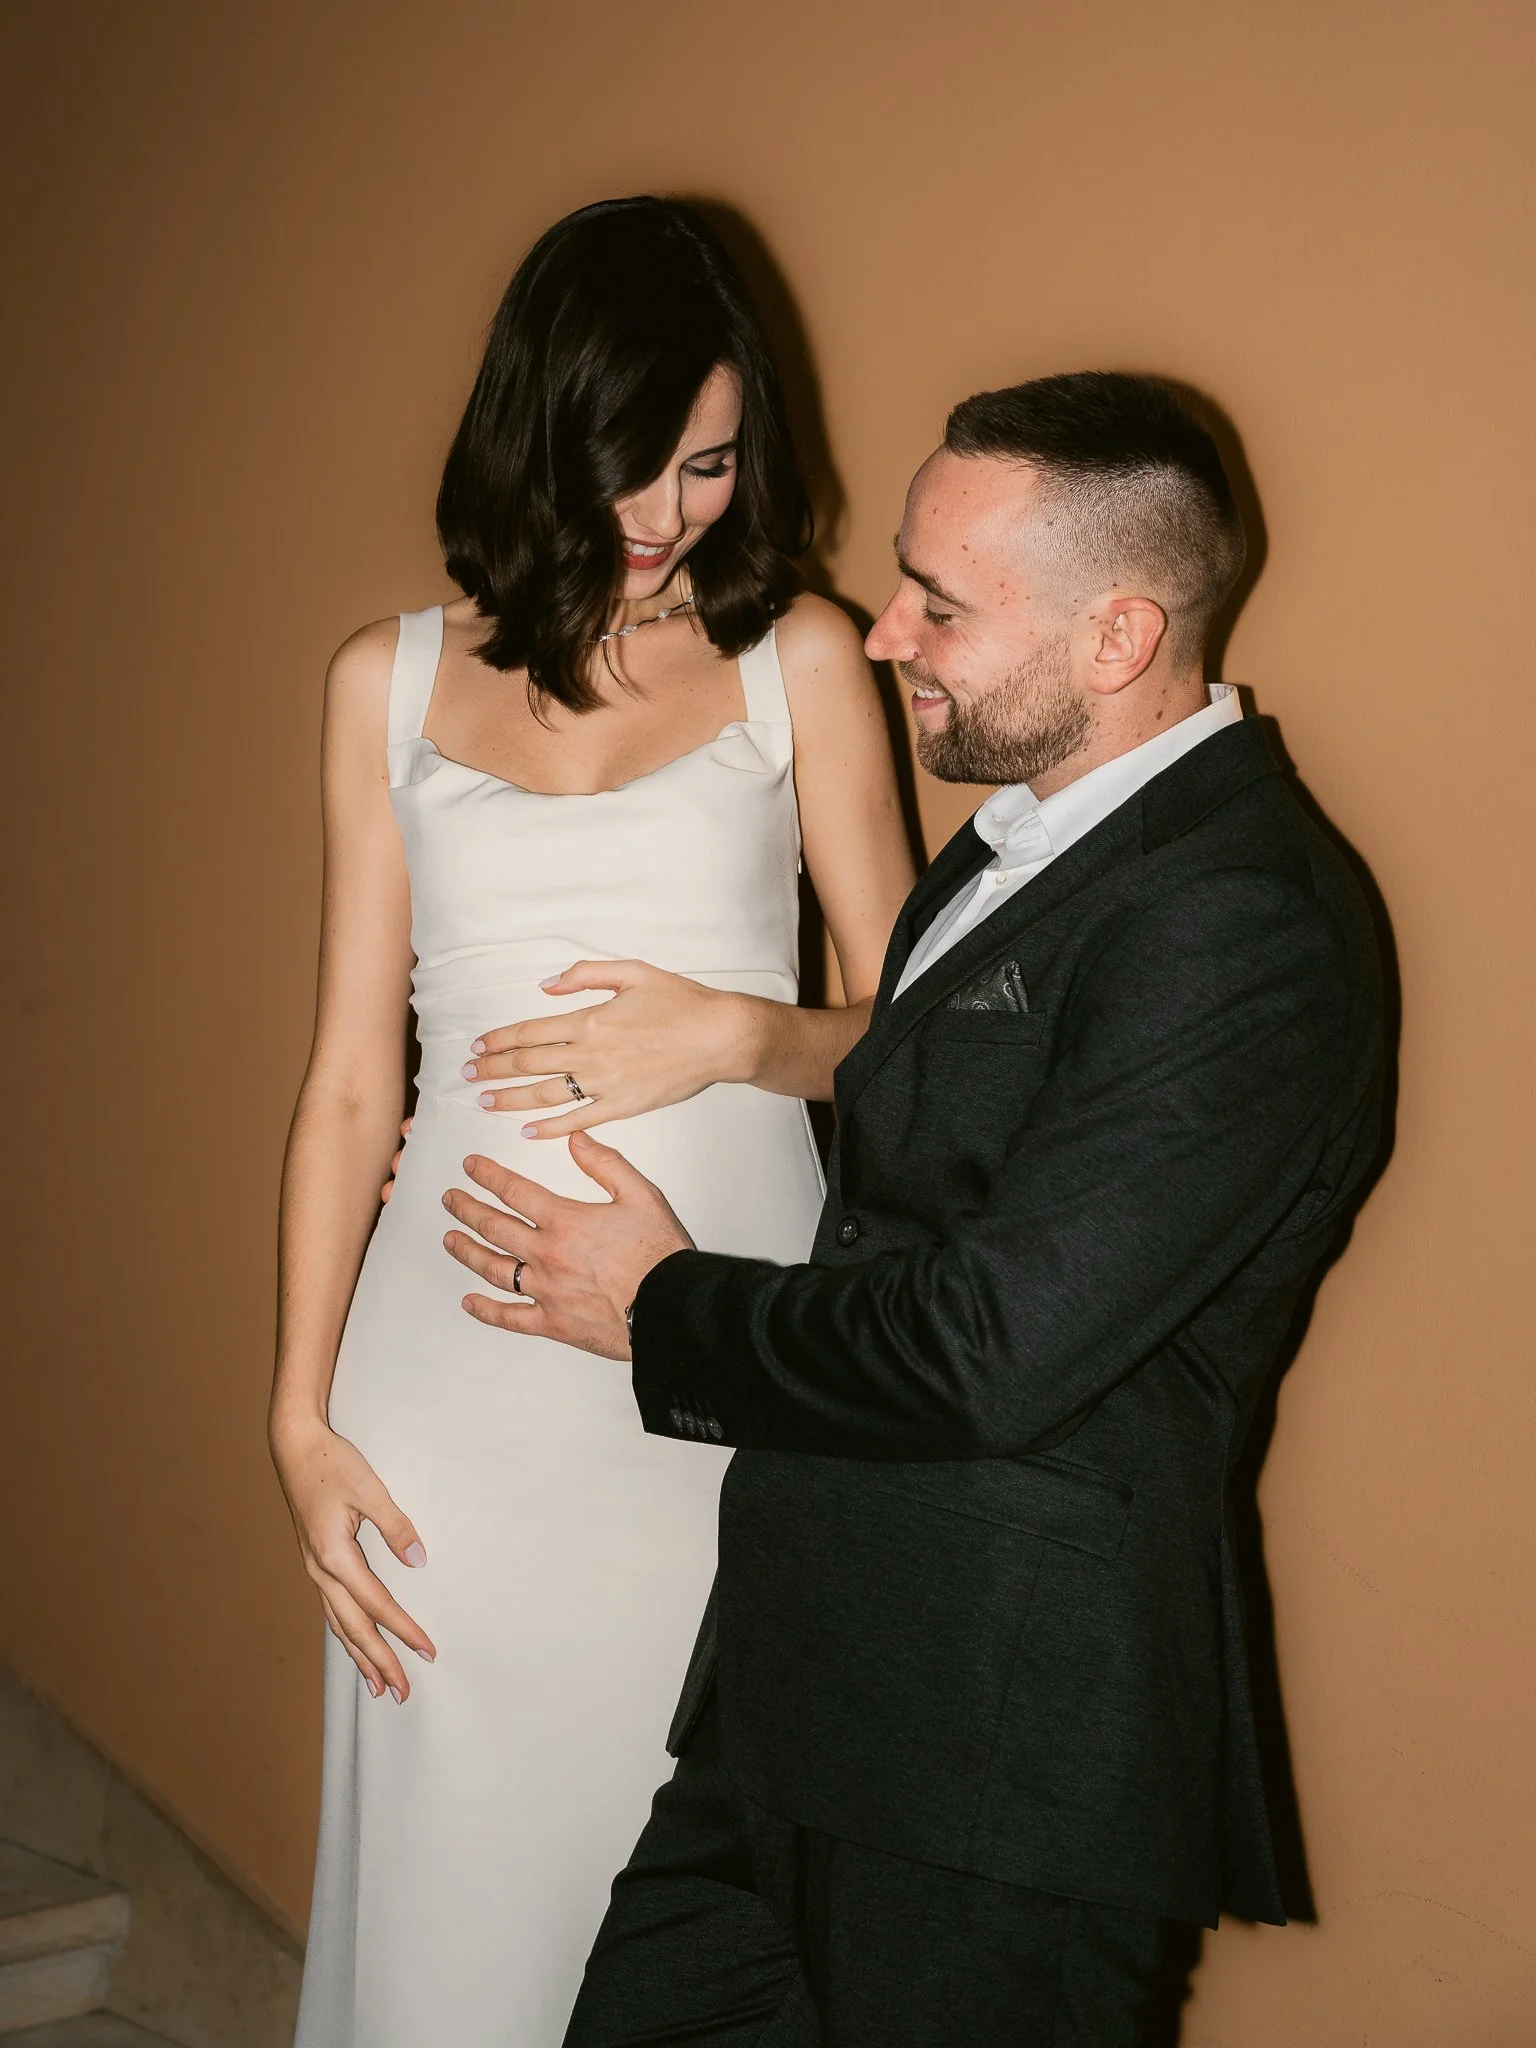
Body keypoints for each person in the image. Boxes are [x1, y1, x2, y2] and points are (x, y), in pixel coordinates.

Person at [441, 371, 1387, 2046]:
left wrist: (660, 1303)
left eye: (941, 605)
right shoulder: (1013, 845)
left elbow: (991, 1343)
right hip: (797, 1709)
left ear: (1115, 639)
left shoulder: (1243, 921)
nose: (886, 636)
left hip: (996, 1763)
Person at [270, 196, 915, 2046]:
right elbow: (342, 1081)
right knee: (463, 1891)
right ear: (537, 432)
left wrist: (731, 1034)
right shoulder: (383, 679)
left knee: (697, 1880)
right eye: (628, 465)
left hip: (721, 1364)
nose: (663, 516)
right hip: (449, 1393)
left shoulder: (802, 655)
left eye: (709, 465)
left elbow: (904, 1044)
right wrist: (298, 1414)